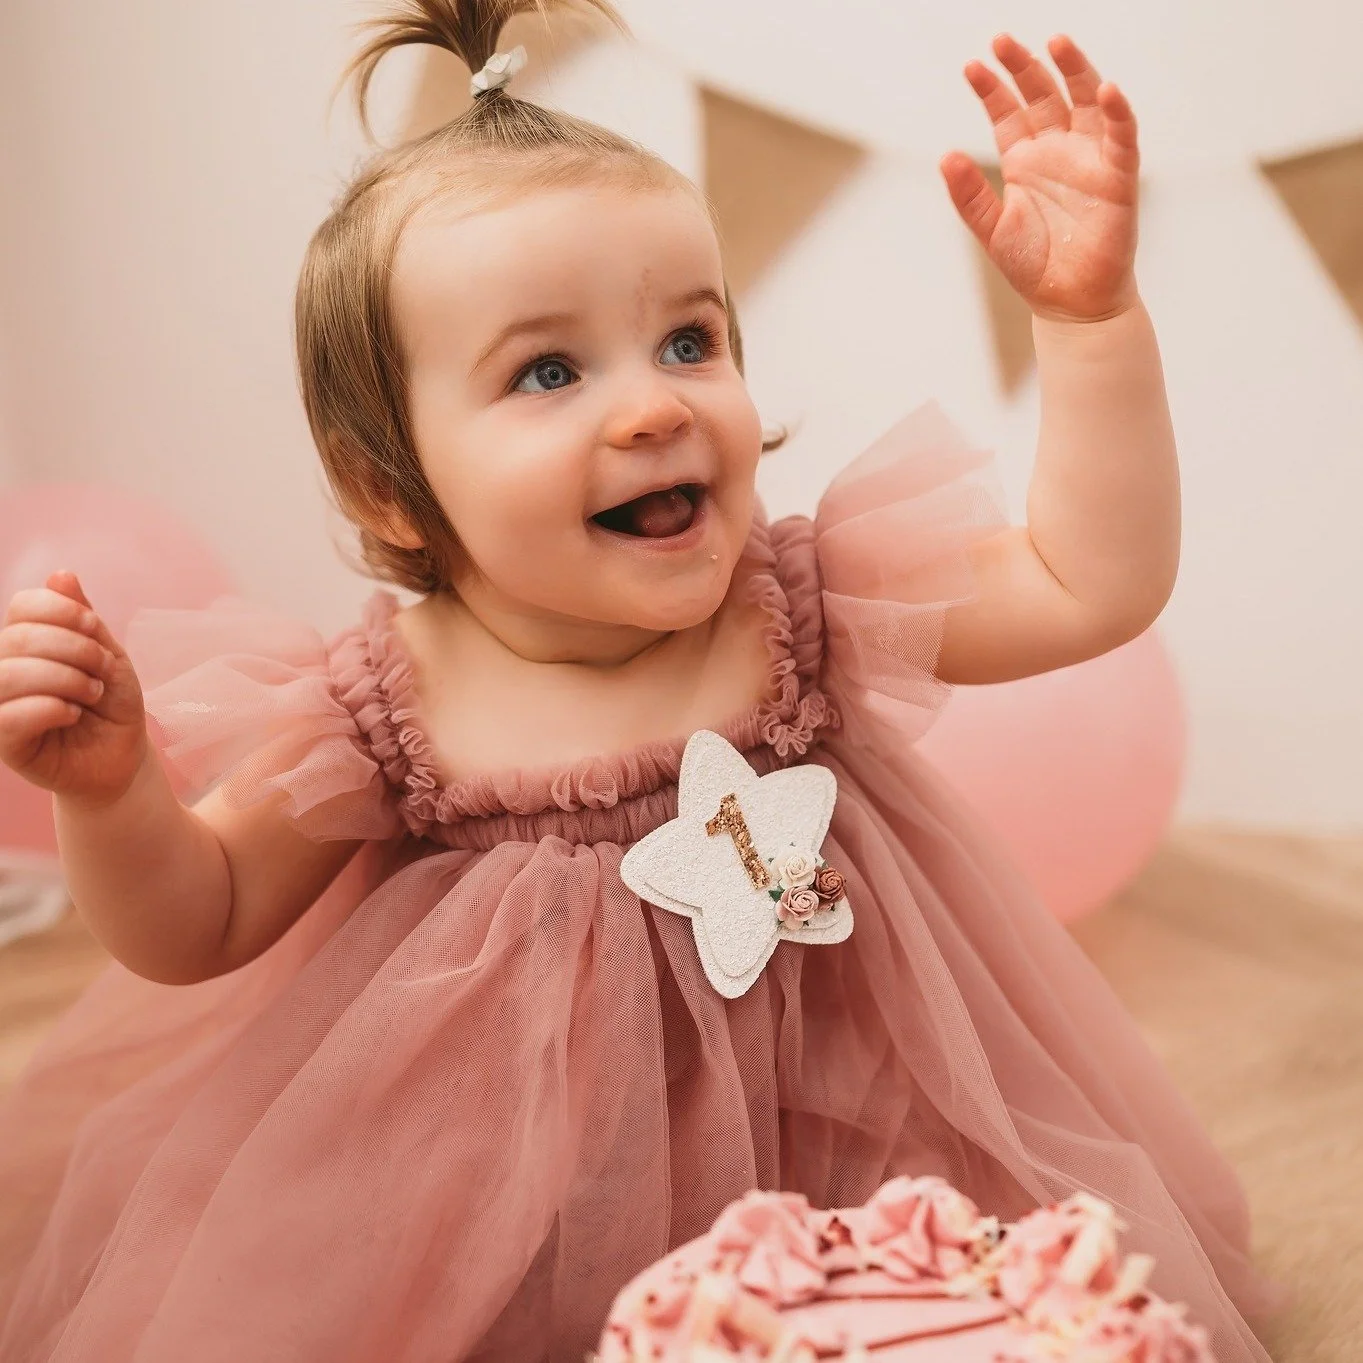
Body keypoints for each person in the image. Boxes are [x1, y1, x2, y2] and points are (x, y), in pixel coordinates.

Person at [0, 2, 1275, 1358]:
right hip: (518, 1191)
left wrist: (1088, 322)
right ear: (390, 484)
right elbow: (197, 921)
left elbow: (1089, 582)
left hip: (845, 1140)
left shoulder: (800, 605)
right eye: (548, 370)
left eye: (688, 341)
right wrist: (114, 794)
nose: (657, 404)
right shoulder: (380, 711)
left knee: (975, 1300)